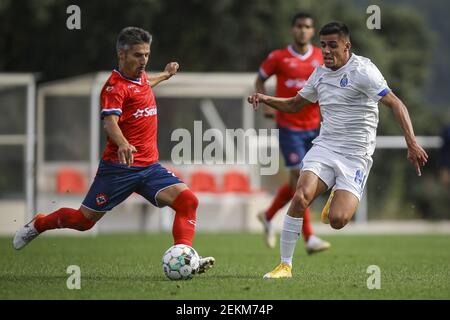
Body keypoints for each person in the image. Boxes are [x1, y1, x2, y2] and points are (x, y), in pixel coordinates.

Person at [13, 27, 215, 275]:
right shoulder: (113, 88)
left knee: (187, 201)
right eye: (138, 55)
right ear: (121, 54)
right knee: (83, 222)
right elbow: (110, 122)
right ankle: (40, 223)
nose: (143, 61)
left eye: (147, 55)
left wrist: (166, 74)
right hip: (118, 169)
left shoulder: (140, 78)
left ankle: (185, 256)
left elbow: (146, 84)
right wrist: (123, 143)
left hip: (149, 167)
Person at [248, 21, 428, 279]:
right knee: (300, 196)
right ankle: (284, 265)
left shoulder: (363, 71)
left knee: (338, 221)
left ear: (347, 45)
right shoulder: (320, 74)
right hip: (325, 147)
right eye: (323, 45)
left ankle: (336, 197)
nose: (327, 51)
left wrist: (411, 142)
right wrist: (266, 98)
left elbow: (396, 104)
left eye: (333, 45)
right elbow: (295, 104)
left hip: (356, 156)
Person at [255, 12, 330, 254]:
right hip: (288, 126)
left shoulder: (321, 56)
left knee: (299, 183)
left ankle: (267, 216)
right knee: (301, 179)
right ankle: (309, 238)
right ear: (292, 29)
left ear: (312, 30)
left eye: (307, 27)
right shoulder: (279, 57)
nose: (303, 30)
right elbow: (260, 79)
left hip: (315, 127)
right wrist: (266, 105)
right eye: (299, 26)